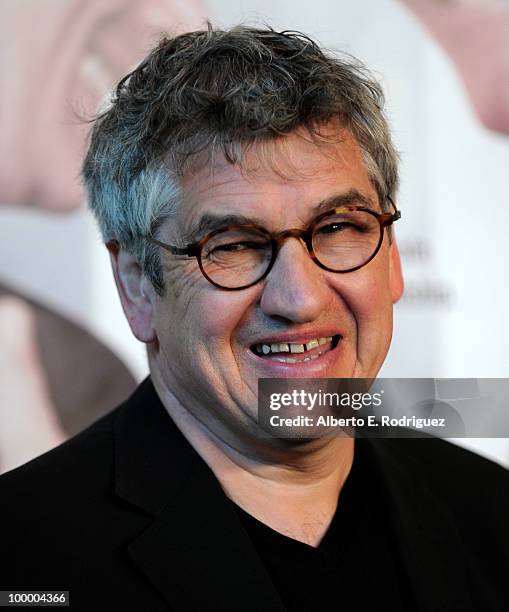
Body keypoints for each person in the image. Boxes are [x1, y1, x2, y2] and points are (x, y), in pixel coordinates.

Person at [0, 25, 507, 611]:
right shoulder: (25, 554)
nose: (300, 299)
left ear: (391, 259)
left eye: (339, 228)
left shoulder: (490, 511)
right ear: (137, 285)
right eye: (234, 245)